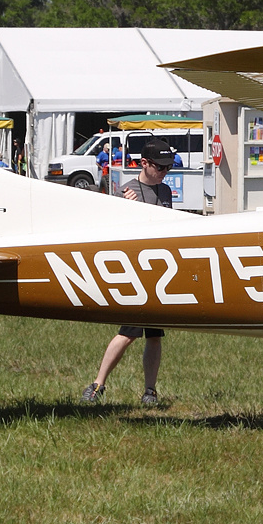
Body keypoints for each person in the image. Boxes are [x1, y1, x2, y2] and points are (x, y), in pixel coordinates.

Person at [83, 139, 176, 405]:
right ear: (144, 164)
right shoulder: (126, 193)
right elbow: (112, 233)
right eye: (160, 167)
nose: (163, 172)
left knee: (155, 337)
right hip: (136, 274)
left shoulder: (166, 191)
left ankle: (150, 391)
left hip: (158, 274)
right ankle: (97, 385)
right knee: (127, 334)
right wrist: (129, 210)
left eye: (168, 168)